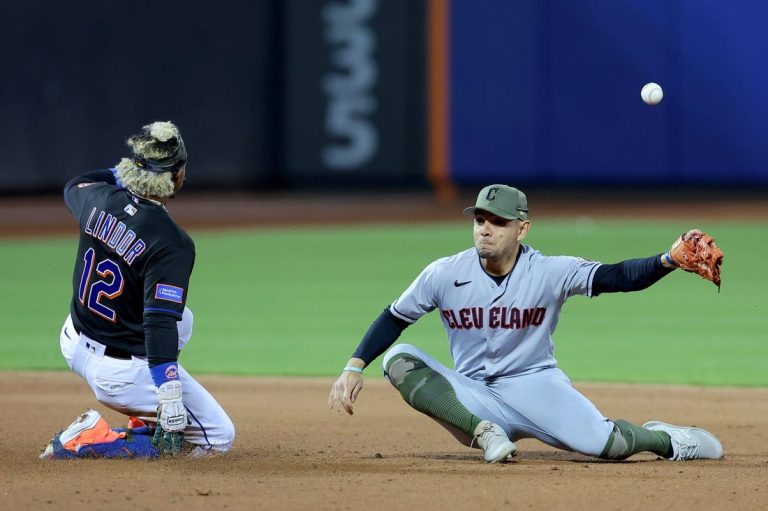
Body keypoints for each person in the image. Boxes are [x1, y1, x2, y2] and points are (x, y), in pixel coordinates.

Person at [328, 184, 724, 463]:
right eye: (479, 219)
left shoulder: (550, 271)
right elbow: (395, 317)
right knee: (398, 358)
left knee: (609, 446)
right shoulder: (444, 273)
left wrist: (667, 260)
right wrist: (352, 366)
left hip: (536, 385)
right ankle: (486, 434)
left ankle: (665, 438)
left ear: (522, 228)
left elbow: (616, 276)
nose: (485, 228)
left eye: (497, 222)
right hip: (473, 398)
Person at [40, 121, 235, 459]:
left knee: (182, 320)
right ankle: (92, 439)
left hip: (73, 340)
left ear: (132, 168)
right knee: (218, 438)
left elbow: (75, 182)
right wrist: (170, 394)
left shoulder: (96, 197)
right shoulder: (172, 242)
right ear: (177, 176)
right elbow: (157, 321)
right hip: (118, 374)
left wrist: (130, 171)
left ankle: (142, 416)